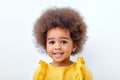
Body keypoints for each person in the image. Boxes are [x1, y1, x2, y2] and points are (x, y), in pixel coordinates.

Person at [33, 7, 93, 80]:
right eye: (52, 42)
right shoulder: (41, 72)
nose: (57, 47)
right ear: (45, 45)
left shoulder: (81, 71)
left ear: (74, 46)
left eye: (63, 42)